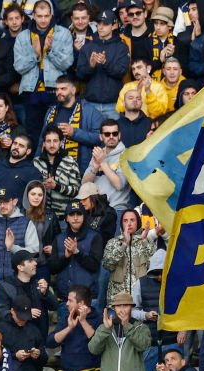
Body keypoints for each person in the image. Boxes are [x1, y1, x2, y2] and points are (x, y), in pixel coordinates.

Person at [14, 0, 73, 142]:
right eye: (39, 16)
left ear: (51, 15)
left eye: (46, 16)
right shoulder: (23, 36)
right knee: (32, 135)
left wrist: (50, 51)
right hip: (31, 91)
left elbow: (67, 64)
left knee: (55, 133)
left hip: (55, 90)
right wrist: (35, 54)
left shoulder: (63, 33)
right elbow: (19, 67)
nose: (43, 20)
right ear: (33, 15)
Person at [88, 292, 151, 371]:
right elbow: (93, 349)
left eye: (125, 305)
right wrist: (105, 329)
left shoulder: (141, 327)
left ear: (131, 307)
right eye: (118, 306)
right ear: (114, 308)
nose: (122, 309)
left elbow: (143, 346)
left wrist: (127, 325)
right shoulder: (105, 327)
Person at [76, 10, 129, 122]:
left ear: (114, 25)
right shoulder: (87, 47)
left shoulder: (121, 47)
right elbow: (79, 75)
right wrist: (90, 66)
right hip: (90, 104)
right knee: (90, 138)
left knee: (113, 138)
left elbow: (122, 72)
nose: (101, 27)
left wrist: (105, 63)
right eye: (99, 24)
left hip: (113, 105)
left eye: (105, 24)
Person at [47, 284, 102, 371]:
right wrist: (69, 328)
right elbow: (50, 342)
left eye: (70, 301)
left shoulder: (99, 319)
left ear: (81, 303)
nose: (66, 304)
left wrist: (83, 321)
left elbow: (98, 344)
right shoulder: (67, 318)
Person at [0, 294, 47, 371]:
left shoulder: (33, 330)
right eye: (20, 317)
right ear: (12, 311)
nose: (22, 321)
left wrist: (38, 354)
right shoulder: (0, 329)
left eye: (25, 318)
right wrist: (14, 356)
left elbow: (44, 358)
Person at [82, 119, 130, 212]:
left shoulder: (126, 155)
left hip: (117, 210)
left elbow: (119, 185)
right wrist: (95, 169)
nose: (111, 136)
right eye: (107, 134)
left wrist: (103, 163)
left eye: (114, 133)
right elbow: (84, 184)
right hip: (96, 210)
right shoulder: (98, 154)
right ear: (101, 137)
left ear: (119, 135)